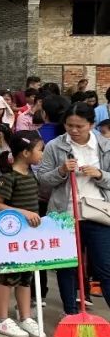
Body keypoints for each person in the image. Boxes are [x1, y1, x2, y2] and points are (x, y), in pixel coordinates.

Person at [35, 102, 110, 316]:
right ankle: (71, 314)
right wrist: (60, 171)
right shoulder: (55, 146)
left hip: (99, 214)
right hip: (64, 215)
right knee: (67, 267)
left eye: (80, 126)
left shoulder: (106, 145)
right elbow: (43, 179)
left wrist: (100, 174)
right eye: (69, 126)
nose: (74, 131)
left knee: (105, 268)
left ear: (92, 124)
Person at [0, 132, 46, 337]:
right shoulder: (9, 178)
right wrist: (24, 213)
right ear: (25, 152)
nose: (42, 154)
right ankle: (1, 319)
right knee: (8, 276)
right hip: (13, 236)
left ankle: (25, 317)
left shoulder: (31, 174)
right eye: (40, 150)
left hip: (29, 238)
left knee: (26, 276)